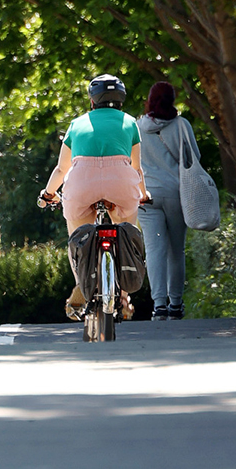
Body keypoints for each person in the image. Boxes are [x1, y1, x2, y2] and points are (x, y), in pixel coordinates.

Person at [40, 74, 149, 319]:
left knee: (78, 238)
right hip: (121, 183)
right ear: (121, 100)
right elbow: (137, 168)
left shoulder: (77, 124)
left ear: (92, 101)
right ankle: (122, 294)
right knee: (127, 232)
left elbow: (61, 169)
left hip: (81, 184)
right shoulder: (130, 123)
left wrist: (49, 193)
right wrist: (143, 194)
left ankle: (81, 282)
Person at [136, 82, 198, 321]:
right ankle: (176, 304)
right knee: (176, 250)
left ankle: (158, 305)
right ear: (173, 100)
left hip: (146, 195)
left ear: (149, 100)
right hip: (176, 193)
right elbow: (194, 157)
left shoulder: (137, 127)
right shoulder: (182, 125)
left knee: (154, 250)